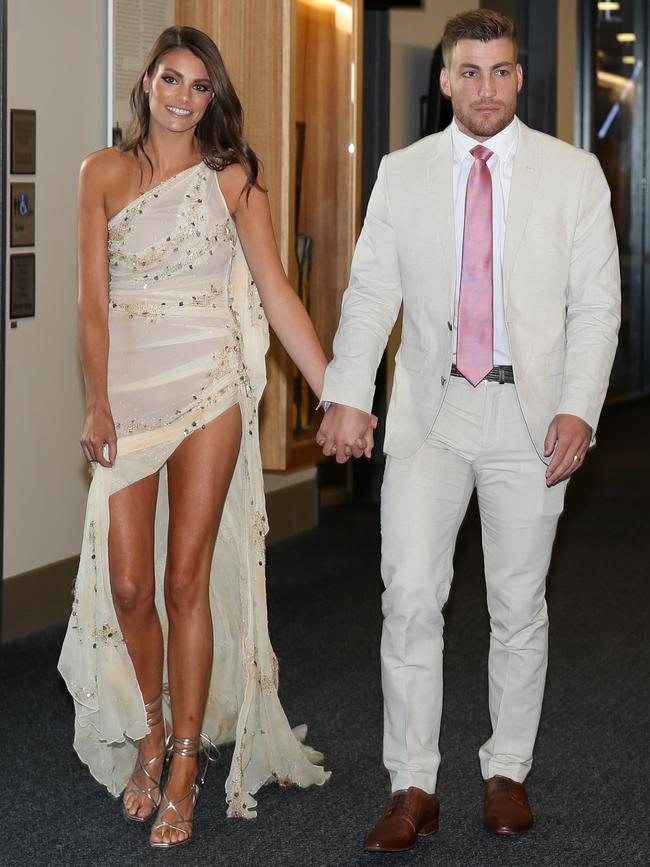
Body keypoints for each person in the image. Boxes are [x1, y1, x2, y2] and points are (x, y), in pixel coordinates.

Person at [58, 25, 372, 850]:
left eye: (200, 86)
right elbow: (91, 304)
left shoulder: (234, 182)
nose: (183, 97)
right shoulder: (100, 174)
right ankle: (151, 730)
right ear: (148, 83)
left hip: (208, 385)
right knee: (130, 586)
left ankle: (189, 762)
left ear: (212, 99)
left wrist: (341, 388)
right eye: (172, 79)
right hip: (127, 391)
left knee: (183, 577)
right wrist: (97, 402)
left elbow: (277, 295)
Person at [317, 8, 620, 853]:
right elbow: (372, 290)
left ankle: (506, 771)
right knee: (410, 592)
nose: (485, 87)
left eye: (500, 71)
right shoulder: (402, 173)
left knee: (518, 603)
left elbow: (597, 306)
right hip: (432, 411)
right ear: (444, 79)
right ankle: (412, 782)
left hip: (534, 414)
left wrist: (581, 406)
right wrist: (348, 390)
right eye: (469, 71)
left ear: (518, 78)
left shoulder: (574, 174)